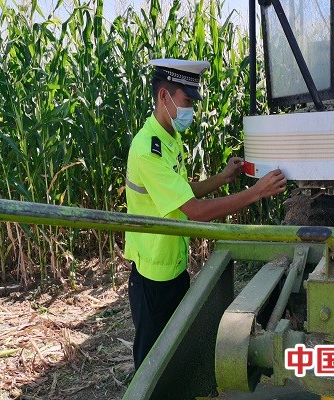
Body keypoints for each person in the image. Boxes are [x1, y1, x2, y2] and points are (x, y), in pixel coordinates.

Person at [124, 58, 287, 370]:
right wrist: (256, 192)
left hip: (173, 266)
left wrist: (222, 178)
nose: (191, 110)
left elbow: (182, 191)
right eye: (186, 101)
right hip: (153, 277)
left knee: (175, 353)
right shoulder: (148, 149)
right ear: (164, 96)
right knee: (151, 364)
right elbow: (195, 212)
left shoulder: (169, 137)